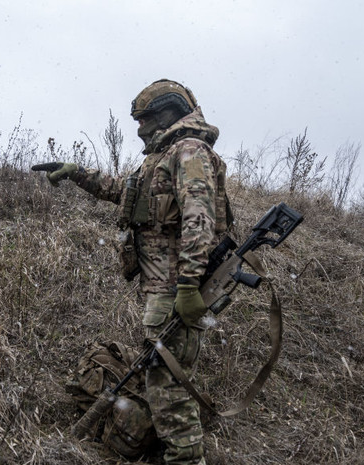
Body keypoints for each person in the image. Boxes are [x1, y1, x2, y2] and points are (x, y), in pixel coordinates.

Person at [36, 79, 231, 465]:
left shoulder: (189, 152)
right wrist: (76, 172)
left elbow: (199, 219)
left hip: (177, 293)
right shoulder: (162, 158)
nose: (139, 129)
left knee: (169, 392)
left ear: (165, 115)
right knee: (161, 383)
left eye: (144, 120)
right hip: (164, 293)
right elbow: (124, 195)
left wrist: (190, 286)